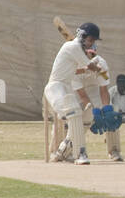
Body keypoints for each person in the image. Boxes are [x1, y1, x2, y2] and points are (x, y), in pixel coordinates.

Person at [43, 21, 110, 165]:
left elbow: (79, 69)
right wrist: (98, 70)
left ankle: (63, 151)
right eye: (91, 40)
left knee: (84, 118)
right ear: (83, 36)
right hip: (55, 87)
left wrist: (95, 69)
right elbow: (89, 65)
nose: (91, 44)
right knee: (74, 114)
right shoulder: (72, 46)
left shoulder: (76, 50)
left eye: (93, 41)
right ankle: (80, 154)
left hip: (66, 87)